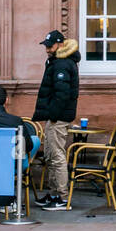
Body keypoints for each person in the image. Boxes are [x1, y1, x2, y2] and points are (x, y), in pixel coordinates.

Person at [32, 31, 80, 211]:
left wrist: (53, 114)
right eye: (46, 45)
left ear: (60, 44)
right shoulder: (60, 62)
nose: (46, 49)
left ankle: (61, 197)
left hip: (58, 118)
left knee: (57, 156)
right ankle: (54, 194)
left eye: (49, 46)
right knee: (51, 156)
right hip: (57, 116)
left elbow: (62, 94)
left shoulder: (62, 64)